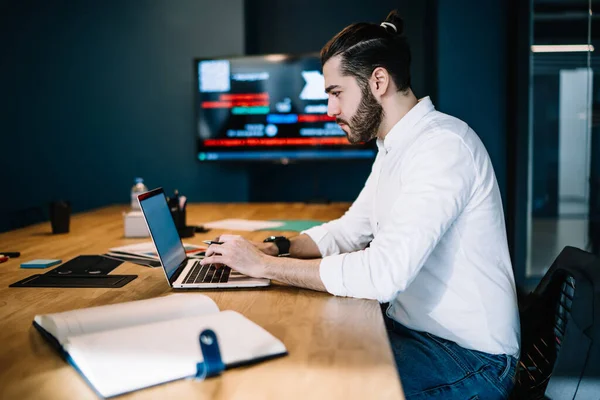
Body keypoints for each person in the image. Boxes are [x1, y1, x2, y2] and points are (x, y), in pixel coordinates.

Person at [201, 10, 520, 399]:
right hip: (417, 335)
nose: (330, 110)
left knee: (311, 384)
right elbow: (350, 231)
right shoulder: (395, 147)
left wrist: (265, 267)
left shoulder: (442, 147)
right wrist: (275, 247)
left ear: (378, 81)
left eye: (336, 93)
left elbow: (383, 274)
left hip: (471, 360)